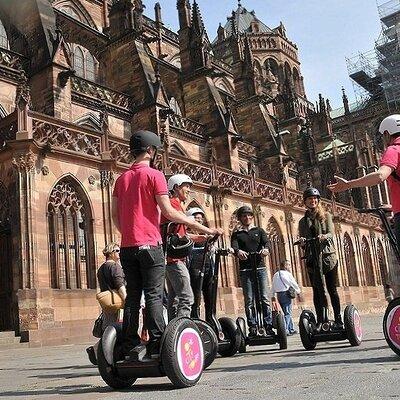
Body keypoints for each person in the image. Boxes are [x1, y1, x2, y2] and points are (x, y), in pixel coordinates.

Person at [112, 130, 222, 359]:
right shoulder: (154, 175)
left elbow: (115, 217)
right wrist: (205, 228)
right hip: (151, 246)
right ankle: (156, 343)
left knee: (132, 296)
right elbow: (169, 212)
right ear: (151, 151)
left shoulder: (121, 179)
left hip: (127, 248)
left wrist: (130, 235)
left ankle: (130, 345)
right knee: (153, 295)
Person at [328, 114, 400, 255]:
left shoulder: (393, 150)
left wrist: (349, 184)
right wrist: (393, 207)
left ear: (387, 133)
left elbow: (380, 176)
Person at [161, 174, 205, 320]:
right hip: (175, 260)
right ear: (176, 187)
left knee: (174, 300)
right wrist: (209, 230)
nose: (189, 190)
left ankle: (172, 331)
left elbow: (180, 235)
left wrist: (200, 238)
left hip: (173, 259)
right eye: (186, 186)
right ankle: (181, 329)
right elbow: (188, 223)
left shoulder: (177, 205)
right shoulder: (173, 203)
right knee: (187, 298)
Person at [298, 187, 342, 330]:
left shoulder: (326, 216)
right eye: (310, 199)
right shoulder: (302, 222)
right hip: (312, 258)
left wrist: (324, 236)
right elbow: (303, 242)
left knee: (332, 289)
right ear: (305, 202)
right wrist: (303, 242)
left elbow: (330, 233)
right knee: (317, 291)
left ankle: (338, 319)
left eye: (315, 199)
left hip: (328, 258)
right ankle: (321, 320)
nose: (313, 201)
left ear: (318, 201)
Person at [231, 206, 273, 336]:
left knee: (265, 298)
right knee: (249, 300)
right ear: (240, 218)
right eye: (244, 216)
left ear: (252, 217)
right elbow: (234, 247)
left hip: (260, 268)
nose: (247, 217)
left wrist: (266, 250)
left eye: (249, 215)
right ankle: (253, 326)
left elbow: (267, 244)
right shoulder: (237, 234)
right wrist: (238, 252)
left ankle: (268, 324)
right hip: (245, 269)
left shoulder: (259, 231)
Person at [86, 242, 126, 365]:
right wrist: (126, 299)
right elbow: (119, 284)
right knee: (120, 328)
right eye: (117, 251)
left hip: (107, 302)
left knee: (109, 327)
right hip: (118, 302)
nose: (119, 253)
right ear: (111, 253)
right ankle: (106, 355)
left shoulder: (101, 268)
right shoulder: (115, 267)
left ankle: (96, 350)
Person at [186, 207, 215, 321]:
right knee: (195, 295)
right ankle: (195, 319)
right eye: (196, 218)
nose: (199, 220)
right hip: (194, 268)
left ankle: (210, 319)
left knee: (209, 294)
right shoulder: (188, 234)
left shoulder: (206, 234)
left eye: (200, 218)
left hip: (208, 266)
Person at [271, 260, 300, 336]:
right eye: (289, 265)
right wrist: (298, 291)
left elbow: (273, 286)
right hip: (286, 294)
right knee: (287, 313)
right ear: (285, 266)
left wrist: (272, 295)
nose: (290, 266)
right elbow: (293, 283)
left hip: (279, 295)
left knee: (286, 312)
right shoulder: (287, 274)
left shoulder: (276, 274)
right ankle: (285, 330)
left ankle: (291, 329)